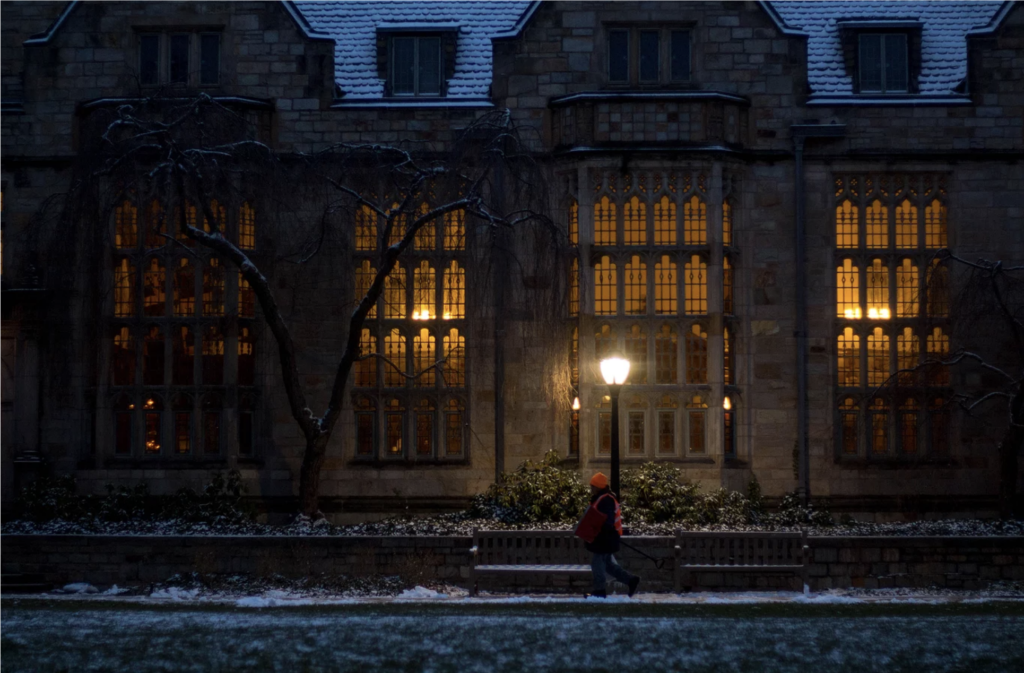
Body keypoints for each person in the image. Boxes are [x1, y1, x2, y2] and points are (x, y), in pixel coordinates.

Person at [581, 472, 640, 598]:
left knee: (597, 564)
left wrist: (596, 531)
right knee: (607, 564)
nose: (591, 489)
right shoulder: (603, 498)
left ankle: (599, 591)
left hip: (604, 538)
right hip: (607, 538)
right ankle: (630, 580)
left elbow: (606, 521)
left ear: (598, 487)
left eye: (592, 486)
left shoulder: (605, 500)